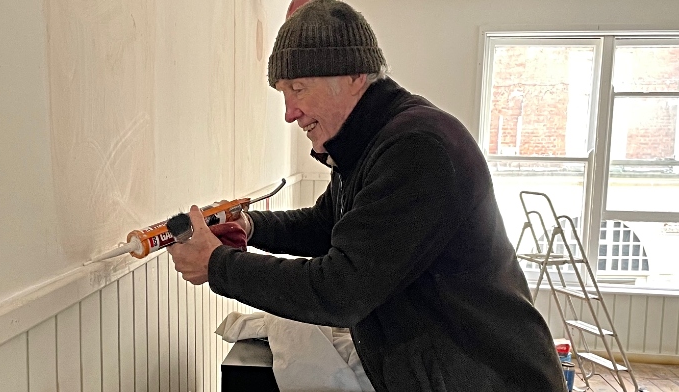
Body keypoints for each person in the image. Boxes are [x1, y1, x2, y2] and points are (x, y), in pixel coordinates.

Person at [169, 0, 567, 390]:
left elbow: (341, 289)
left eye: (299, 88)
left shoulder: (417, 148)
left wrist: (218, 265)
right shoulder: (370, 143)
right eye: (283, 93)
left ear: (355, 76)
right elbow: (328, 225)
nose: (290, 113)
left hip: (486, 375)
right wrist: (250, 226)